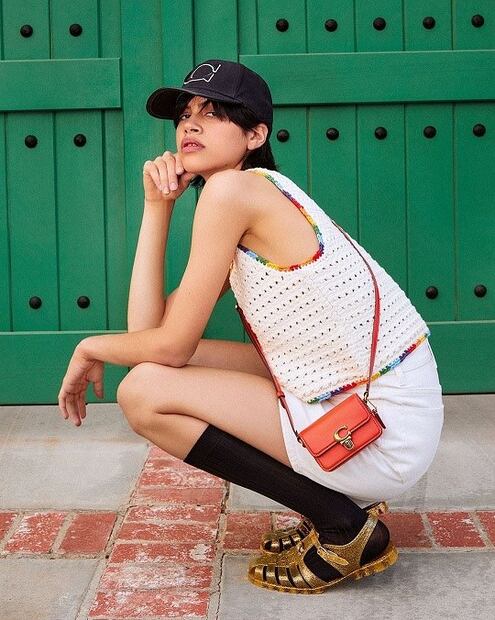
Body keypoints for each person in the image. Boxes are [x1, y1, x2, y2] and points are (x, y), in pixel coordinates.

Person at [58, 59, 444, 594]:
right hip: (368, 401)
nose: (190, 125)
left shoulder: (232, 193)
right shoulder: (250, 194)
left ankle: (342, 524)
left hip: (377, 426)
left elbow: (168, 348)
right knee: (154, 370)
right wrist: (156, 207)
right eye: (185, 115)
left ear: (255, 135)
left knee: (142, 392)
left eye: (213, 114)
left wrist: (88, 346)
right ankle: (340, 507)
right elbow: (149, 332)